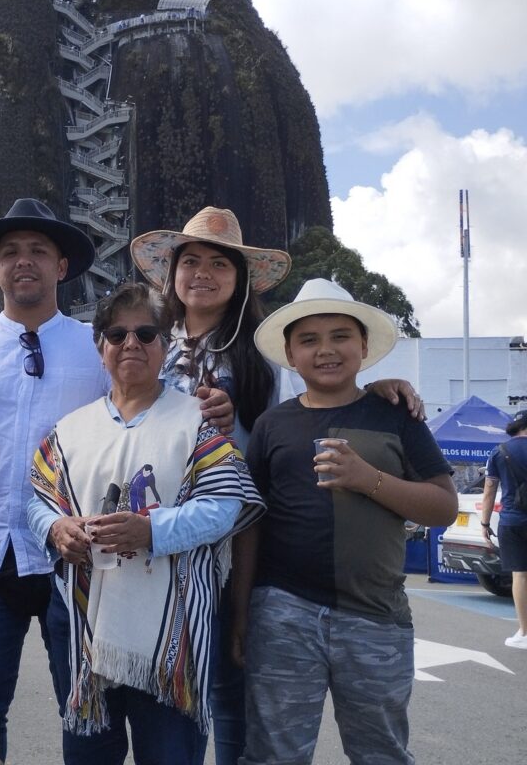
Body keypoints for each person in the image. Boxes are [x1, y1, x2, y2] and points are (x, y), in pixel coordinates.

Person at [0, 198, 233, 760]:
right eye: (10, 252)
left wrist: (212, 407)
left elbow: (149, 405)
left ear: (63, 266)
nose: (24, 262)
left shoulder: (99, 343)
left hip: (82, 564)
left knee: (88, 711)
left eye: (39, 250)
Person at [130, 206, 424, 765]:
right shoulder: (146, 339)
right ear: (171, 273)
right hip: (156, 540)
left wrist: (383, 383)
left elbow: (322, 393)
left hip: (233, 542)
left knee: (238, 702)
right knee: (167, 698)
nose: (202, 273)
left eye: (220, 263)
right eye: (190, 261)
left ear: (241, 279)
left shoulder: (268, 357)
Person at [29, 283, 264, 765]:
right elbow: (36, 501)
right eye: (116, 334)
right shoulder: (67, 430)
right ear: (101, 348)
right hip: (83, 618)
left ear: (165, 347)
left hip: (173, 625)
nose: (130, 343)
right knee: (90, 754)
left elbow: (225, 506)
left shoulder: (198, 422)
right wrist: (55, 529)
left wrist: (152, 532)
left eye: (145, 333)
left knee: (169, 755)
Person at [233, 278, 457, 765]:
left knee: (381, 753)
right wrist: (242, 609)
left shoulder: (396, 413)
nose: (326, 350)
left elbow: (442, 506)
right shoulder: (273, 424)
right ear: (290, 356)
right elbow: (251, 523)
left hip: (375, 614)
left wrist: (367, 478)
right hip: (282, 612)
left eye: (340, 336)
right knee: (274, 753)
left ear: (364, 346)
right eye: (308, 340)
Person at [480, 408, 527, 649]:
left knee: (520, 574)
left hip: (512, 519)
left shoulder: (499, 452)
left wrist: (485, 523)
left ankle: (524, 632)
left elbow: (489, 491)